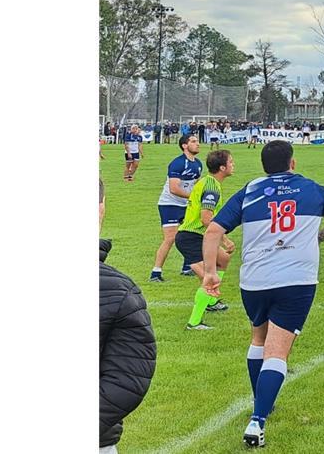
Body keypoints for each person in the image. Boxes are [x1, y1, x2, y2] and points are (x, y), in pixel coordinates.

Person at [201, 139, 324, 448]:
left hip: (254, 281)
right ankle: (258, 421)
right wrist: (320, 237)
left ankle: (263, 403)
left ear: (264, 166)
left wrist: (211, 273)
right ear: (292, 163)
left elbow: (214, 230)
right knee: (278, 351)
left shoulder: (250, 190)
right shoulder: (312, 188)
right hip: (296, 280)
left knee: (259, 339)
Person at [100, 180, 156, 453]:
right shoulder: (120, 290)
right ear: (101, 210)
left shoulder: (118, 291)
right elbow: (126, 380)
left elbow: (125, 380)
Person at [179, 149, 237, 329]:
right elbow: (206, 219)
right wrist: (224, 239)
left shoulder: (206, 181)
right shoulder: (212, 186)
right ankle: (194, 322)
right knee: (208, 280)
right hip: (191, 237)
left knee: (224, 259)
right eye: (231, 162)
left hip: (193, 235)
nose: (233, 165)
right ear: (222, 167)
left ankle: (211, 302)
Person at [151, 134, 202, 281]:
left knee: (191, 235)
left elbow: (196, 185)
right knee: (170, 238)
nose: (197, 144)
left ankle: (188, 267)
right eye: (193, 141)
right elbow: (174, 188)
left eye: (197, 141)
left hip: (186, 205)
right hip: (169, 205)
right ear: (184, 146)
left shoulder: (198, 164)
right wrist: (194, 197)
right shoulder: (178, 163)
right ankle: (156, 272)